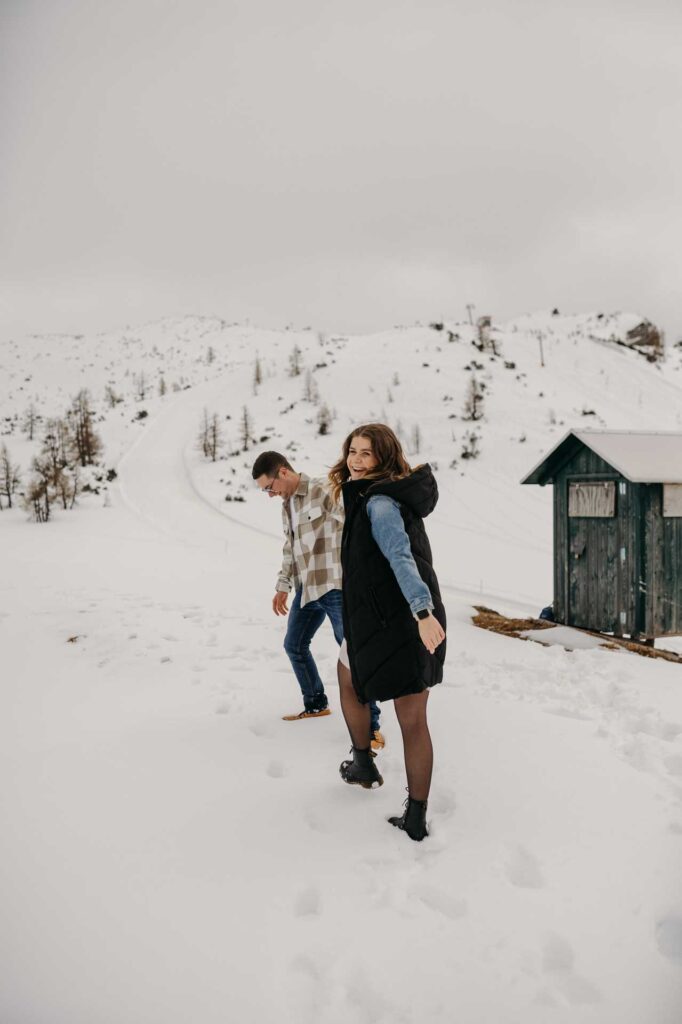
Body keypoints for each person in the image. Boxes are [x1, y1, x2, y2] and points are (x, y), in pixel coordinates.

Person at [328, 424, 446, 841]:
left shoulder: (379, 503)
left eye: (366, 454)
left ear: (384, 457)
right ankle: (405, 806)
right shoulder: (385, 494)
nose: (356, 460)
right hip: (386, 617)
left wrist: (423, 613)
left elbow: (401, 559)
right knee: (356, 683)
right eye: (352, 452)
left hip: (402, 618)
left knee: (407, 717)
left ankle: (369, 768)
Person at [252, 451, 383, 744]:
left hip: (334, 585)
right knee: (294, 645)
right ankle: (316, 703)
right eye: (265, 491)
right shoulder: (288, 505)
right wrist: (283, 584)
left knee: (354, 656)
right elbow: (291, 547)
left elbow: (356, 523)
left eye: (269, 487)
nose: (270, 494)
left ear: (283, 472)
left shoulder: (323, 489)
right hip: (307, 588)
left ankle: (371, 725)